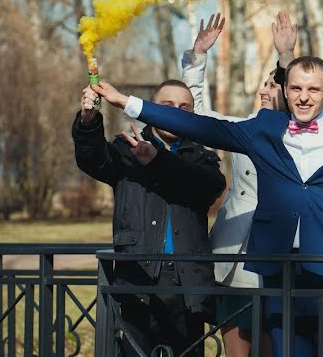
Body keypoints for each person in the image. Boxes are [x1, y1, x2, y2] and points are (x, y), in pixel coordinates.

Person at [91, 56, 323, 357]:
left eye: (313, 89)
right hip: (278, 267)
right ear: (285, 91)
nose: (303, 97)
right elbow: (199, 125)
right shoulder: (264, 127)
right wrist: (125, 101)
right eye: (296, 88)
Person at [73, 80, 225, 356]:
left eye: (184, 108)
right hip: (137, 278)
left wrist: (156, 161)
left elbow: (206, 188)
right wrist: (88, 119)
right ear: (152, 109)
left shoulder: (203, 158)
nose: (175, 113)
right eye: (166, 107)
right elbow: (92, 158)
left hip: (187, 284)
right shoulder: (126, 148)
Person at [181, 12, 296, 356]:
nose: (264, 90)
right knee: (237, 347)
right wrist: (198, 56)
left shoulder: (305, 135)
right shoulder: (242, 128)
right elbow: (196, 113)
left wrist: (286, 53)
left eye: (273, 85)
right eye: (263, 84)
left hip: (282, 254)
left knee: (275, 344)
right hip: (235, 252)